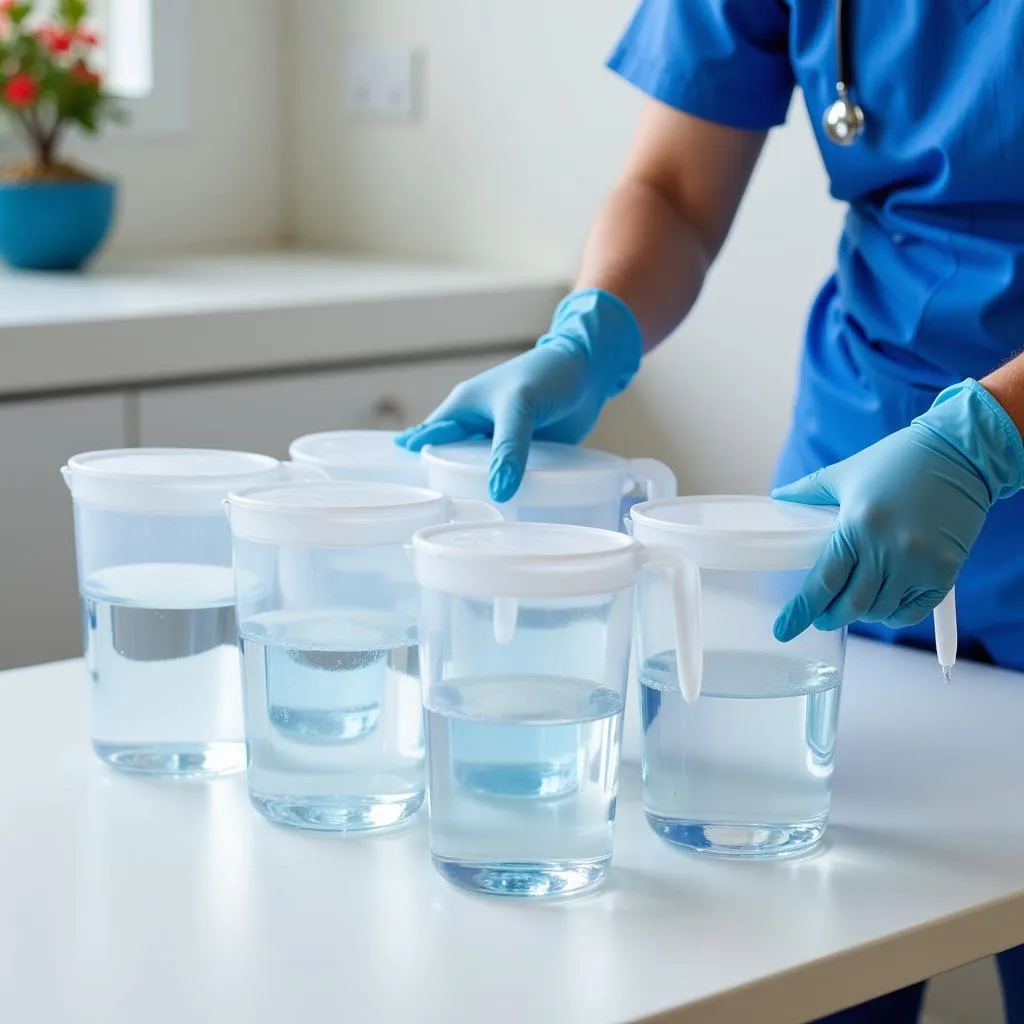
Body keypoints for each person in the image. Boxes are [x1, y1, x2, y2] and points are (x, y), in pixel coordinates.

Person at [397, 1, 1024, 1020]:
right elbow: (675, 190)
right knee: (815, 951)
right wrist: (592, 328)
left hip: (963, 456)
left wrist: (991, 433)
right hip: (854, 492)